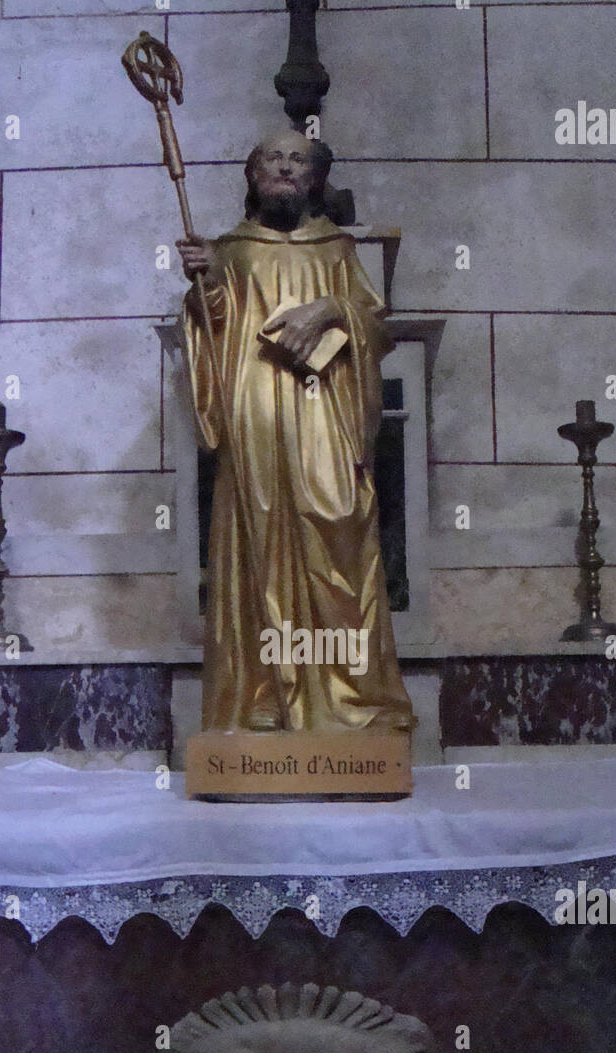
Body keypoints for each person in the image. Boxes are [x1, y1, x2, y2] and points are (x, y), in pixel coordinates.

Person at [177, 129, 414, 735]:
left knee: (340, 523)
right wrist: (203, 286)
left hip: (323, 411)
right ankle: (263, 695)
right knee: (258, 542)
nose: (285, 168)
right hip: (256, 412)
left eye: (298, 160)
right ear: (253, 175)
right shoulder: (230, 248)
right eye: (272, 159)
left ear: (315, 178)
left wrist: (331, 309)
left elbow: (375, 324)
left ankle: (349, 705)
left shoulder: (336, 247)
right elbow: (215, 329)